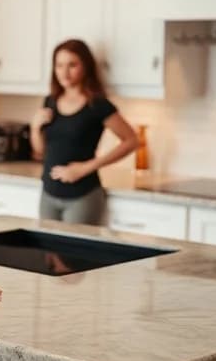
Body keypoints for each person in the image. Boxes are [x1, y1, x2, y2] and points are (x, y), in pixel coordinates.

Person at [29, 38, 139, 225]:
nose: (64, 72)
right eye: (59, 65)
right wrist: (34, 127)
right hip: (48, 194)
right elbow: (40, 152)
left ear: (85, 66)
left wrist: (84, 168)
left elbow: (131, 141)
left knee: (73, 246)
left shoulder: (98, 105)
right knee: (46, 245)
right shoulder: (50, 101)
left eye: (72, 65)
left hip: (82, 197)